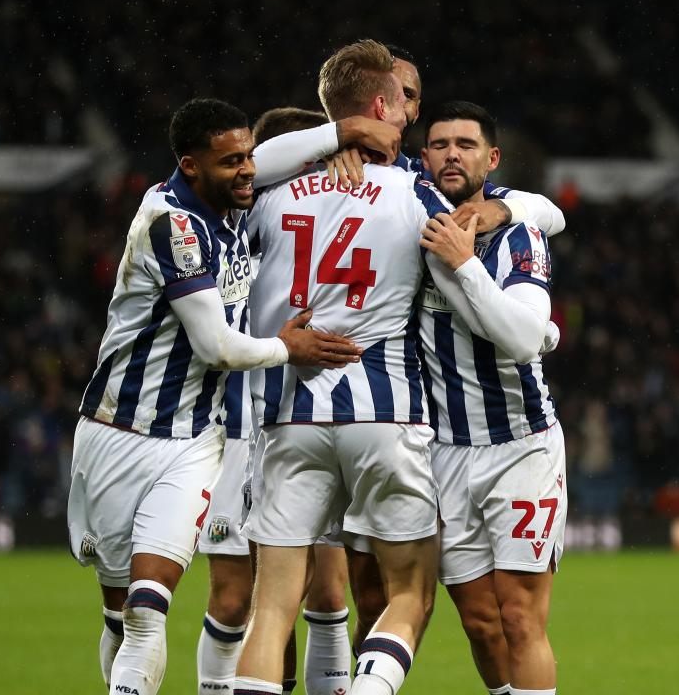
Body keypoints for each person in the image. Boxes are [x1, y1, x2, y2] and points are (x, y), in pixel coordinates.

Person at [67, 97, 363, 695]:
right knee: (120, 612)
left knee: (149, 611)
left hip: (195, 442)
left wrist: (341, 133)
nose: (248, 171)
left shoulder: (230, 204)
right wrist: (288, 347)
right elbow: (219, 349)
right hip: (114, 430)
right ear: (191, 164)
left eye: (249, 158)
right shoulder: (170, 221)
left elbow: (273, 152)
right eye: (231, 162)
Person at [235, 39, 448, 695]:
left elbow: (241, 167)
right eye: (402, 102)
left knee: (271, 607)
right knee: (409, 592)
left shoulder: (270, 191)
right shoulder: (413, 189)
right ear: (380, 104)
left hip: (289, 413)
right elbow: (473, 243)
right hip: (384, 411)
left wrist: (335, 138)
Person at [195, 104, 401, 695]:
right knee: (237, 597)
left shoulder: (340, 204)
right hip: (239, 426)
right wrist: (340, 134)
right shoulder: (237, 216)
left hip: (313, 417)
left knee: (327, 590)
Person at [417, 100, 566, 695]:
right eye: (440, 144)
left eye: (467, 144)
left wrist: (463, 266)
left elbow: (526, 338)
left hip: (520, 445)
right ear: (421, 157)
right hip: (445, 451)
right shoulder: (409, 219)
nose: (453, 154)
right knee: (480, 623)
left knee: (518, 616)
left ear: (492, 158)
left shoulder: (518, 233)